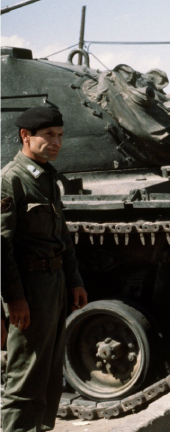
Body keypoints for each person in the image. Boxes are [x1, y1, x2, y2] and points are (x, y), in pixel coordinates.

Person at [1, 106, 88, 432]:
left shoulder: (48, 177)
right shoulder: (11, 181)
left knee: (50, 372)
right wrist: (14, 299)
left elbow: (61, 235)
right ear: (26, 136)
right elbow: (1, 247)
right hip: (29, 290)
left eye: (60, 136)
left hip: (54, 285)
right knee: (25, 376)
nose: (56, 142)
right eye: (49, 135)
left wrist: (74, 280)